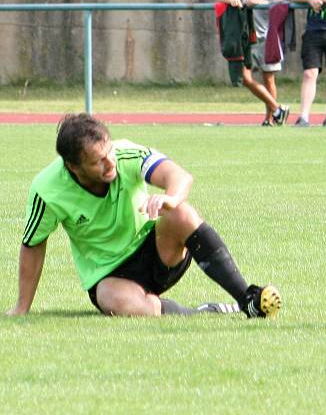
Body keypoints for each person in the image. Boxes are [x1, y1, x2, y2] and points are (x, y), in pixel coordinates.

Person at [6, 113, 281, 318]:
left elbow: (179, 175)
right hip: (110, 276)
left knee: (181, 213)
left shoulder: (127, 154)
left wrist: (170, 197)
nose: (110, 162)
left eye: (109, 151)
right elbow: (33, 243)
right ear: (73, 167)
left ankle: (247, 299)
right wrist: (21, 308)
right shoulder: (47, 189)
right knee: (119, 303)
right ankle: (202, 312)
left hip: (156, 252)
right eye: (97, 161)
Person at [218, 0, 291, 127]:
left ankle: (270, 118)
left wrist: (258, 2)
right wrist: (232, 0)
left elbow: (280, 4)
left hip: (269, 34)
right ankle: (277, 109)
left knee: (268, 77)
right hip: (248, 35)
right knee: (246, 78)